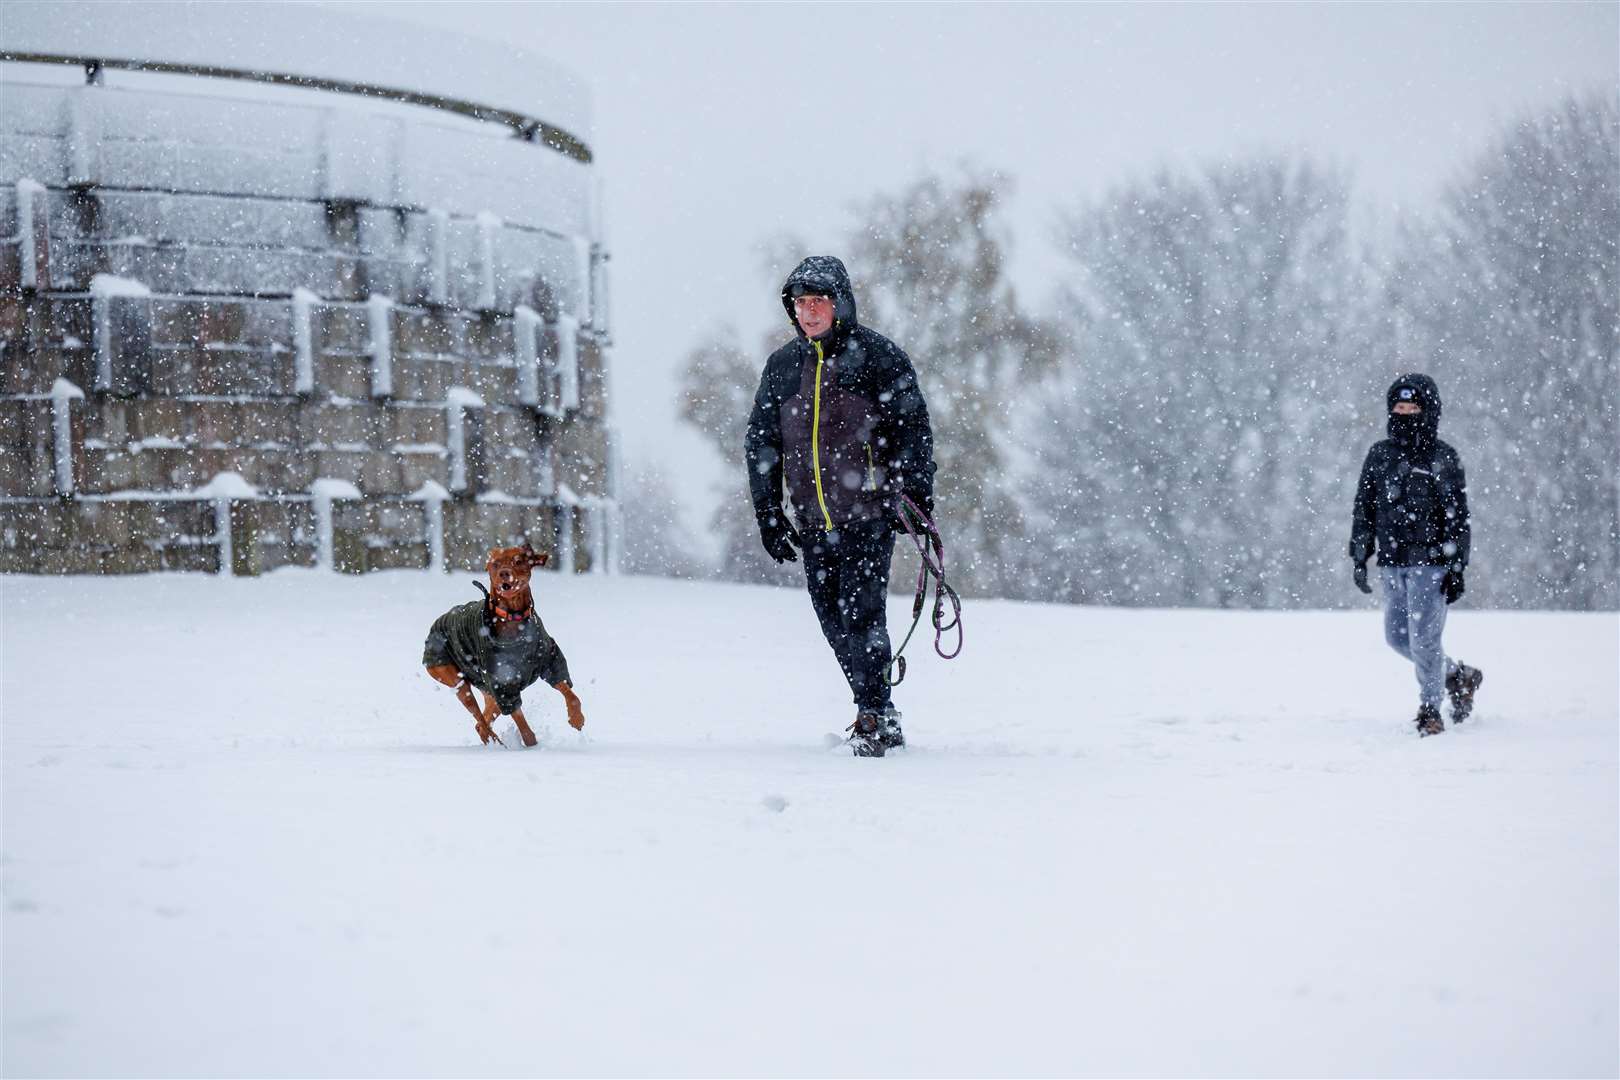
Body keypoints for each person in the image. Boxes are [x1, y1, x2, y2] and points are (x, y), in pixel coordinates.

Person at [745, 255, 936, 757]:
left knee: (862, 615)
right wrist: (768, 512)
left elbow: (913, 432)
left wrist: (912, 497)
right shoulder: (783, 366)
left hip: (870, 514)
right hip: (813, 521)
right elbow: (761, 442)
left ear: (840, 304)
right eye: (801, 303)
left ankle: (875, 714)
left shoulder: (878, 358)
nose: (809, 312)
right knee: (832, 617)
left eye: (819, 302)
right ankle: (874, 705)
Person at [1350, 374, 1484, 736]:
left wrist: (1456, 567)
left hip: (1432, 564)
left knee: (1424, 639)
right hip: (1392, 563)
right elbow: (1364, 507)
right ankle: (1457, 675)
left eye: (1413, 407)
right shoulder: (1380, 455)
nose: (1405, 413)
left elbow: (1458, 518)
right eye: (1399, 406)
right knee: (1398, 638)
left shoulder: (1443, 457)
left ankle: (1430, 709)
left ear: (1429, 411)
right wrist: (1360, 555)